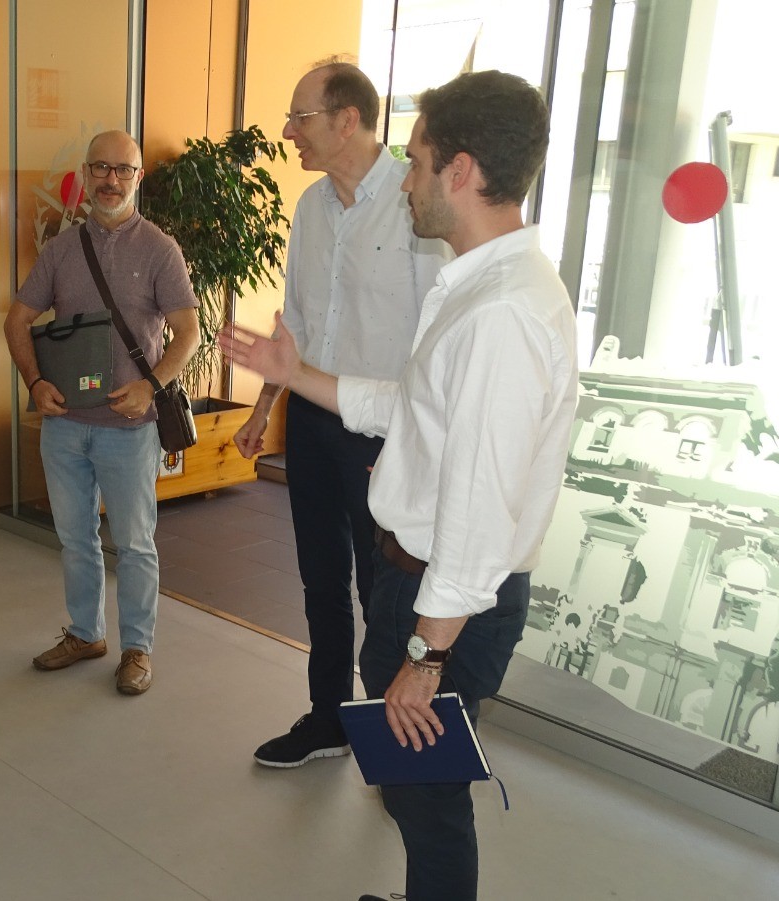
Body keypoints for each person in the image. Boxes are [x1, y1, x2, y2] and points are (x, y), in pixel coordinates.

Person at [220, 71, 577, 901]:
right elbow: (405, 404)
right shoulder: (480, 287)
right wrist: (292, 374)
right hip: (414, 583)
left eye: (415, 163)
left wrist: (426, 655)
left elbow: (481, 511)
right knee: (418, 786)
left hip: (444, 602)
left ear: (460, 171)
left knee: (427, 794)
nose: (405, 182)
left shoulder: (499, 314)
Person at [238, 61, 448, 768]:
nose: (288, 132)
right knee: (320, 578)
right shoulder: (311, 207)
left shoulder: (416, 203)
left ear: (347, 120)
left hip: (383, 431)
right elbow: (294, 323)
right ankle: (328, 718)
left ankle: (395, 736)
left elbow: (434, 339)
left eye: (300, 118)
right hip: (312, 419)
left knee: (384, 588)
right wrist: (264, 409)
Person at [4, 130, 200, 695]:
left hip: (130, 431)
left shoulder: (160, 249)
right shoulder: (61, 250)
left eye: (123, 170)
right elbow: (17, 321)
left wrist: (151, 385)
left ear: (139, 177)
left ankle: (137, 649)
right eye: (100, 168)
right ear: (86, 175)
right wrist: (35, 381)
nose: (111, 180)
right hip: (65, 427)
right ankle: (86, 634)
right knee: (76, 539)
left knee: (135, 544)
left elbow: (188, 332)